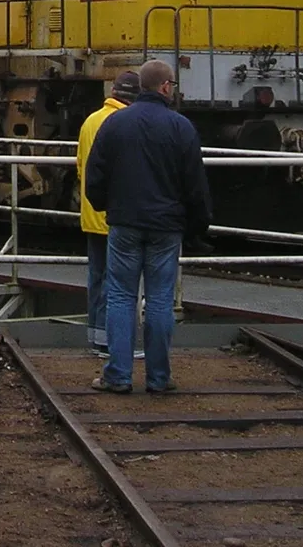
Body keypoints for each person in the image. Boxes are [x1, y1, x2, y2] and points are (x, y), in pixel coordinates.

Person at [85, 59, 211, 395]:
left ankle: (118, 376)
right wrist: (197, 226)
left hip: (125, 223)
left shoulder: (114, 125)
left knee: (121, 298)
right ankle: (158, 378)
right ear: (166, 86)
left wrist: (106, 207)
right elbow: (195, 184)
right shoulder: (181, 127)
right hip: (166, 227)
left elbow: (94, 176)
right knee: (159, 300)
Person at [76, 70, 141, 358]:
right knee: (117, 282)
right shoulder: (125, 123)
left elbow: (81, 165)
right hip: (115, 214)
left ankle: (95, 334)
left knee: (97, 276)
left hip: (91, 212)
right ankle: (107, 342)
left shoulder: (91, 120)